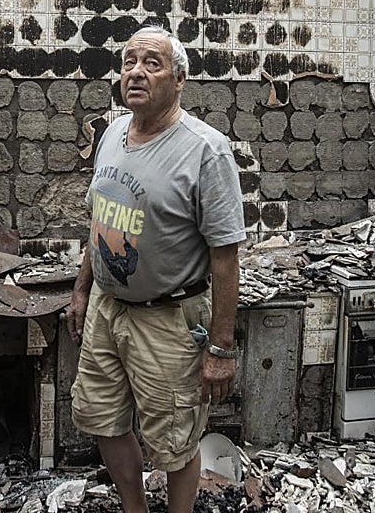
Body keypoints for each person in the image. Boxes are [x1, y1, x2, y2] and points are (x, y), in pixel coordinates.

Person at [66, 25, 246, 513]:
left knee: (174, 441)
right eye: (129, 62)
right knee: (102, 419)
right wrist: (82, 290)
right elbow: (102, 221)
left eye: (152, 63)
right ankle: (135, 508)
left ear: (179, 79)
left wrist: (221, 348)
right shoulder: (111, 135)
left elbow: (226, 256)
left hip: (168, 319)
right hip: (107, 309)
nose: (136, 73)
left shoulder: (205, 150)